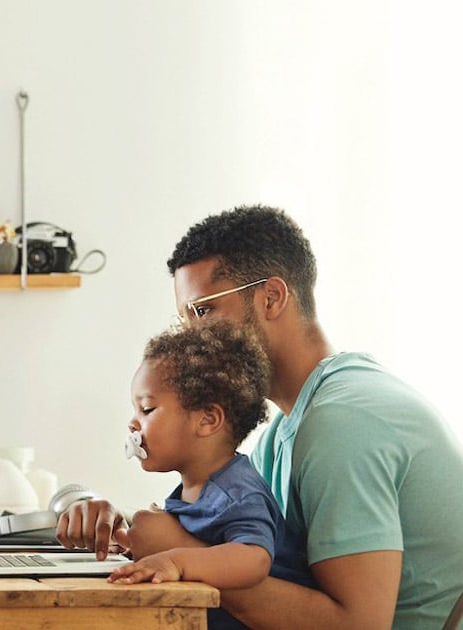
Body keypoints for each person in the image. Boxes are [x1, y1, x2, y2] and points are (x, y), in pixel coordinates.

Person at [57, 205, 463, 629]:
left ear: (271, 297)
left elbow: (357, 625)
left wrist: (178, 550)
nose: (192, 336)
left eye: (204, 311)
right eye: (184, 319)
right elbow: (253, 553)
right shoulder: (283, 432)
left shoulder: (344, 423)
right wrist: (125, 531)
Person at [108, 321, 314, 630]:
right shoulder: (196, 489)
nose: (133, 425)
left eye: (147, 410)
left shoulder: (237, 492)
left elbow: (254, 559)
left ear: (207, 419)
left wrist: (175, 560)